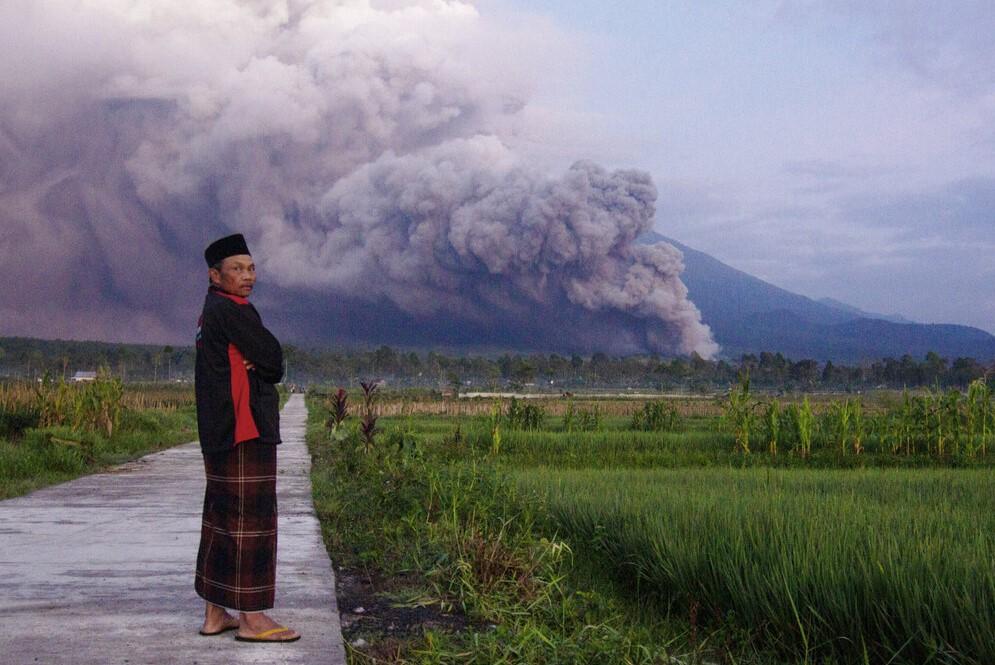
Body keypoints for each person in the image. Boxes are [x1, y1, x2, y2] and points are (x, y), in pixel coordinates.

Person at [193, 233, 300, 642]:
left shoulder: (209, 312)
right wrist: (266, 361)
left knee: (222, 520)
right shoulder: (233, 311)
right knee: (251, 523)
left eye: (251, 268)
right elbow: (274, 360)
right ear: (214, 274)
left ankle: (215, 615)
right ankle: (253, 619)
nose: (247, 276)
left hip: (219, 433)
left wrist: (263, 359)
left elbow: (267, 360)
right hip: (244, 431)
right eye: (237, 269)